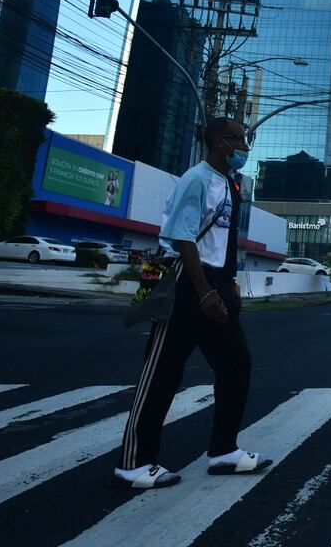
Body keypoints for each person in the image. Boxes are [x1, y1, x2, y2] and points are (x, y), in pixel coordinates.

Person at [112, 117, 271, 490]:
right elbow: (183, 238)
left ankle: (223, 451)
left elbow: (223, 243)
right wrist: (204, 292)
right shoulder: (196, 179)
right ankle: (134, 463)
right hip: (187, 280)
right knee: (163, 371)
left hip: (214, 281)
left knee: (236, 364)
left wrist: (227, 284)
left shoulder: (230, 185)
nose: (246, 147)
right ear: (220, 142)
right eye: (241, 140)